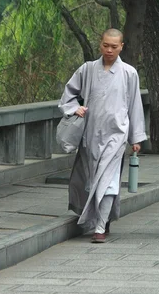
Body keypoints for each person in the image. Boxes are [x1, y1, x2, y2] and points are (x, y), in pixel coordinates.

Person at [58, 29, 146, 243]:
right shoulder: (87, 69)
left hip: (116, 135)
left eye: (114, 46)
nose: (109, 50)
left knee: (108, 181)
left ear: (121, 46)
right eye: (106, 45)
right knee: (92, 181)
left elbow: (135, 105)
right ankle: (102, 219)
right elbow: (68, 95)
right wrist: (73, 109)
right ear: (100, 44)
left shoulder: (129, 73)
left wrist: (136, 138)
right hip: (91, 134)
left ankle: (99, 227)